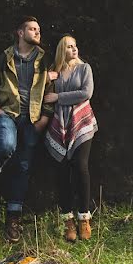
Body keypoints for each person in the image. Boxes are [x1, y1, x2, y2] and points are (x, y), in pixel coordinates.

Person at [0, 16, 55, 243]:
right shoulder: (2, 58)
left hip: (32, 119)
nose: (38, 32)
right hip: (7, 114)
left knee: (23, 166)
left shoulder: (45, 60)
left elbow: (51, 90)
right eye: (33, 29)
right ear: (20, 33)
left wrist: (45, 118)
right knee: (6, 145)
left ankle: (13, 218)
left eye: (39, 29)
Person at [44, 35, 98, 242]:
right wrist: (46, 81)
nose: (74, 49)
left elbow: (86, 93)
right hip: (60, 123)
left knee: (80, 165)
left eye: (75, 46)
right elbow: (42, 92)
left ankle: (84, 217)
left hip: (81, 122)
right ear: (61, 50)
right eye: (69, 47)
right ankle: (68, 220)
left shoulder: (85, 68)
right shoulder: (55, 71)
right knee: (61, 168)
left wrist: (59, 97)